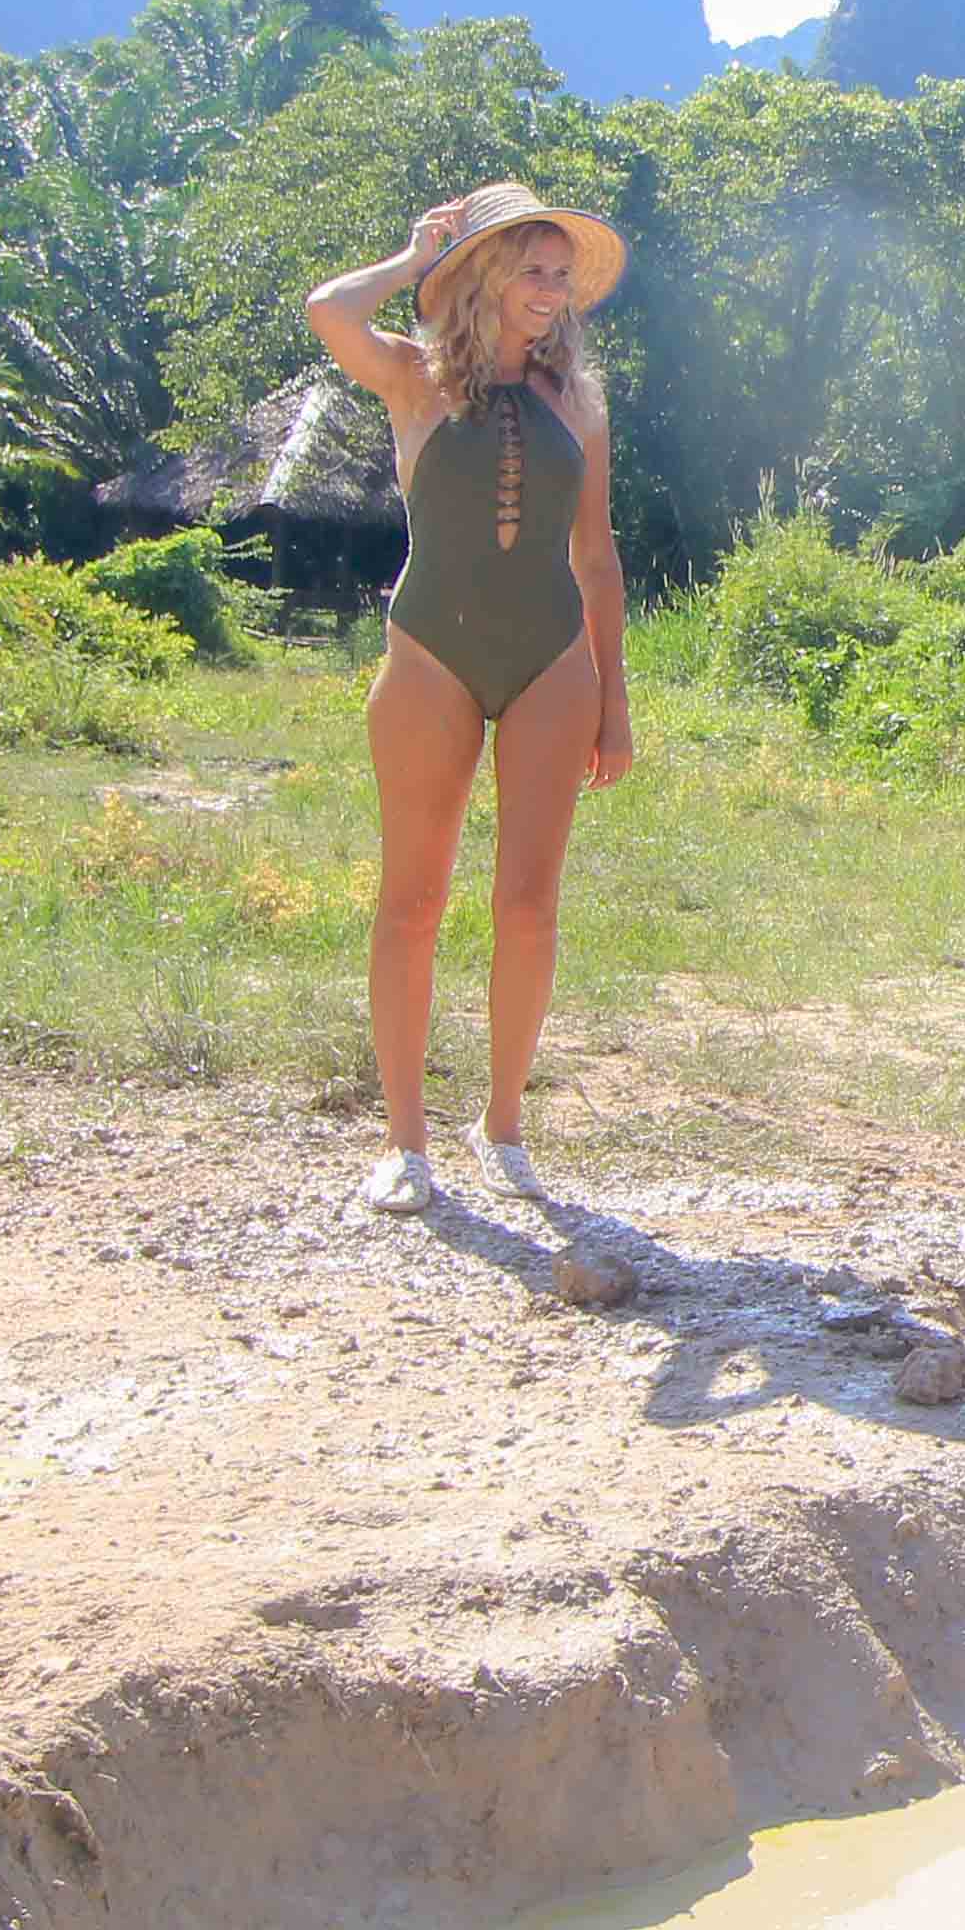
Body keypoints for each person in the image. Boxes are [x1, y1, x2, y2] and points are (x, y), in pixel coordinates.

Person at [303, 181, 635, 1211]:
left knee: (527, 907)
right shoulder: (411, 378)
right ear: (486, 275)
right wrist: (412, 261)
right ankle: (406, 1145)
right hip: (428, 654)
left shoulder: (577, 397)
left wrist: (614, 701)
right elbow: (327, 312)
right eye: (531, 270)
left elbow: (595, 552)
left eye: (559, 275)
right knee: (412, 902)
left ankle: (504, 1128)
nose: (550, 291)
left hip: (552, 660)